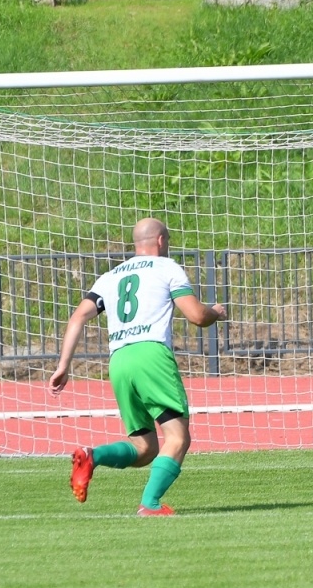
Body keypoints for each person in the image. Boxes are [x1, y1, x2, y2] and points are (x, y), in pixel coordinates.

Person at [49, 218, 228, 514]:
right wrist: (215, 312)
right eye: (168, 239)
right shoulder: (166, 267)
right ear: (160, 241)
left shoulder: (110, 276)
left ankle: (91, 456)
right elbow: (196, 316)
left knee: (145, 449)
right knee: (178, 437)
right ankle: (150, 504)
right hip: (150, 356)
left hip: (119, 361)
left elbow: (78, 316)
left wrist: (63, 366)